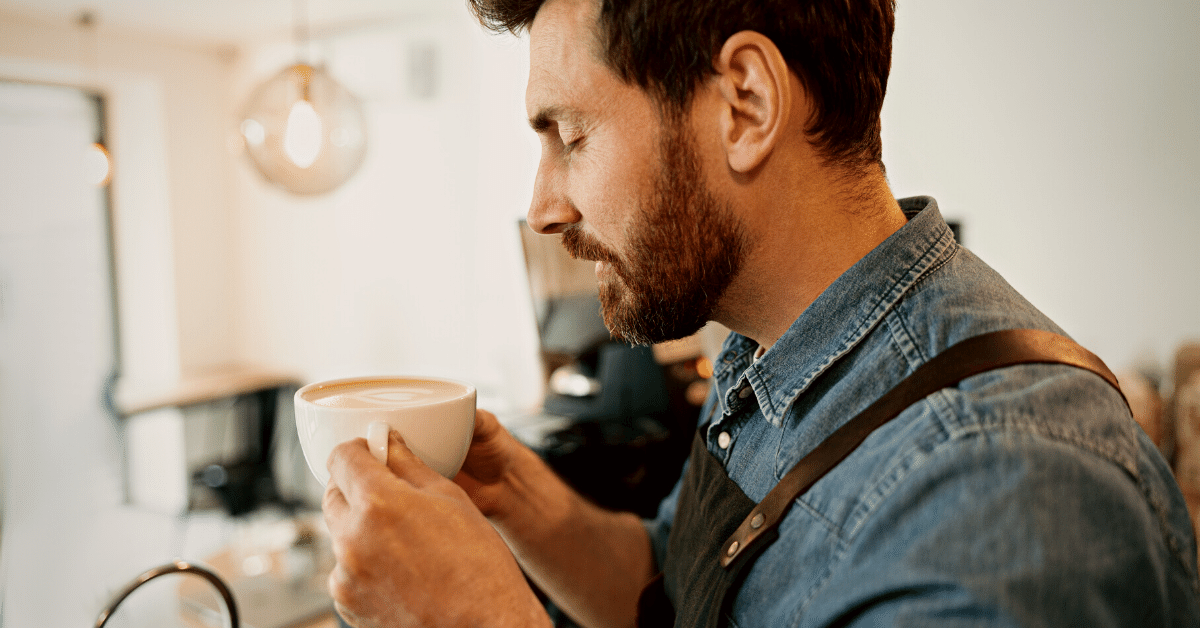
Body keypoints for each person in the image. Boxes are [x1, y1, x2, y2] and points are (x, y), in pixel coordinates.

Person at [320, 0, 1200, 625]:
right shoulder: (770, 355)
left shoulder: (1000, 494)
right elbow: (675, 590)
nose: (545, 207)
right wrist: (511, 496)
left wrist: (472, 620)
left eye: (572, 136)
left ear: (745, 102)